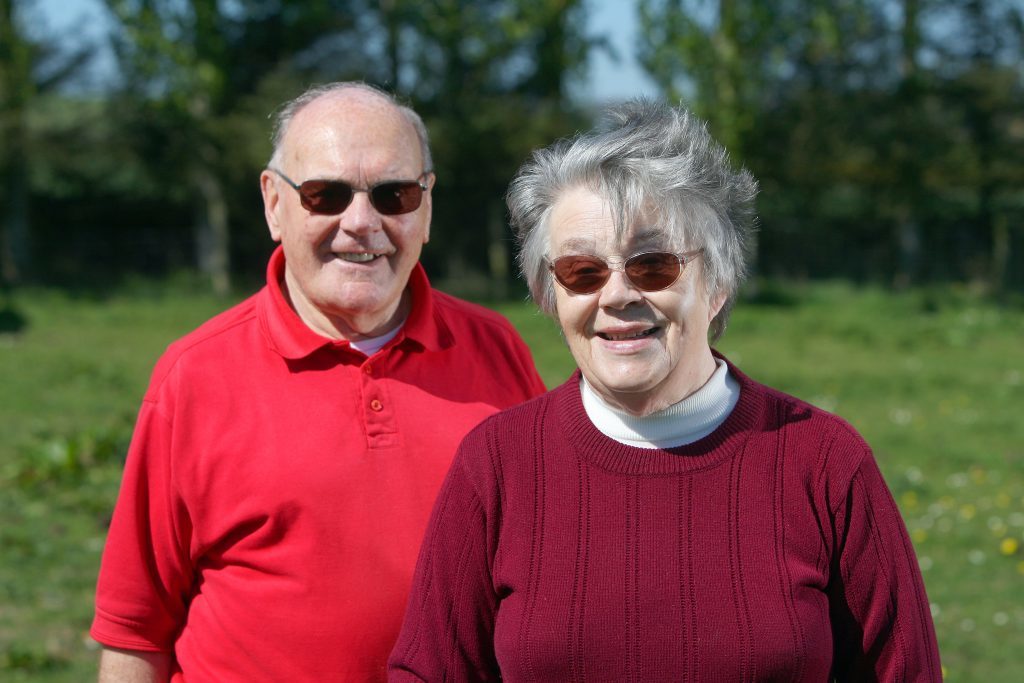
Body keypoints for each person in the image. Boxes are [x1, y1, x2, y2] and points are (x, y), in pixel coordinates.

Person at [389, 100, 942, 681]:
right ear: (548, 295)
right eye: (582, 272)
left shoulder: (825, 462)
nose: (617, 295)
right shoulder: (495, 464)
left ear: (719, 283)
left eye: (654, 266)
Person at [90, 82, 546, 682]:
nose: (362, 223)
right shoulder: (193, 376)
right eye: (325, 195)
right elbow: (134, 632)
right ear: (273, 204)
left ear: (427, 206)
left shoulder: (498, 351)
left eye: (394, 195)